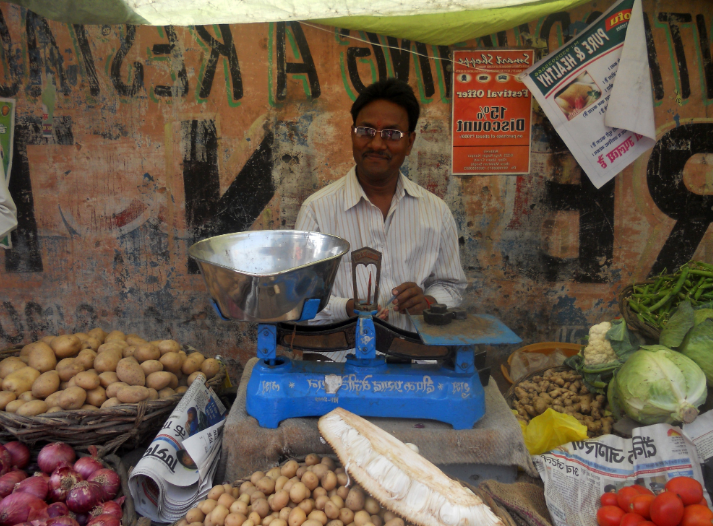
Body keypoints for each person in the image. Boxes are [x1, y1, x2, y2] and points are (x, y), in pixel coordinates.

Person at [295, 78, 467, 354]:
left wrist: (429, 301)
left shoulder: (436, 212)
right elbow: (301, 300)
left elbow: (452, 286)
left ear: (409, 142)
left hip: (413, 364)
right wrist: (349, 307)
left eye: (391, 134)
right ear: (352, 134)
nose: (376, 143)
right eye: (366, 131)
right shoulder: (317, 210)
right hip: (338, 368)